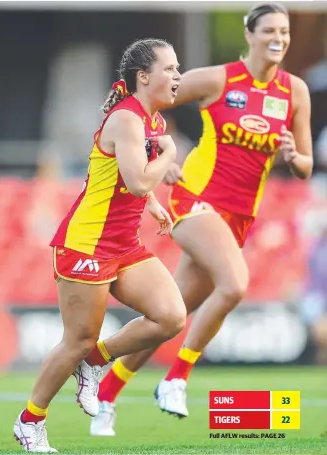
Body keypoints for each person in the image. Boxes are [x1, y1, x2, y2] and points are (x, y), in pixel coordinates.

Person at [91, 2, 313, 437]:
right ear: (249, 35)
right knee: (235, 285)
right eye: (269, 30)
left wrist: (294, 156)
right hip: (196, 199)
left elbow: (305, 164)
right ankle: (176, 380)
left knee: (171, 315)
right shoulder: (219, 79)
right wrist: (159, 150)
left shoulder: (295, 92)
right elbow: (150, 99)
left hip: (239, 218)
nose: (278, 39)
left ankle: (104, 394)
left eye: (284, 32)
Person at [13, 38, 185, 452]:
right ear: (144, 77)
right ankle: (30, 421)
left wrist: (152, 206)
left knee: (171, 317)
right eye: (170, 69)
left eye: (179, 69)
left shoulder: (153, 122)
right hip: (86, 244)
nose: (178, 77)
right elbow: (138, 178)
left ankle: (95, 363)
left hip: (124, 244)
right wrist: (169, 157)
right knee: (77, 341)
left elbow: (130, 180)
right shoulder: (128, 119)